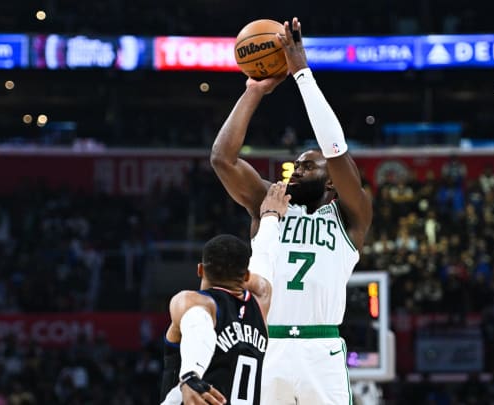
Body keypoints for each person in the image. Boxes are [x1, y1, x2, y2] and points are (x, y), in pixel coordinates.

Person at [210, 17, 373, 405]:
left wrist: (302, 74)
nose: (296, 169)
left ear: (331, 181)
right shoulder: (270, 202)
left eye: (306, 165)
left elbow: (336, 150)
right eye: (295, 164)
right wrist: (253, 91)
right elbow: (222, 159)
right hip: (269, 343)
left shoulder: (352, 218)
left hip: (322, 348)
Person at [160, 183, 291, 405]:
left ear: (200, 269)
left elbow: (197, 321)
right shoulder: (261, 301)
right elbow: (265, 255)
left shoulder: (193, 301)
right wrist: (270, 216)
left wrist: (191, 374)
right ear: (247, 276)